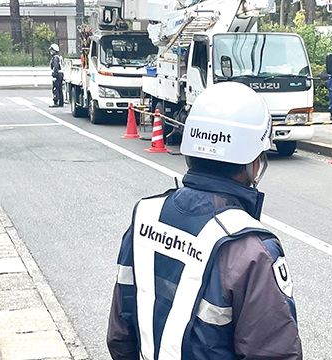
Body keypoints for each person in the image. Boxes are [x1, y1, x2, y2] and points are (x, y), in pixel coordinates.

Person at [107, 82, 302, 360]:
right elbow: (275, 353)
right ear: (254, 163)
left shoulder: (145, 217)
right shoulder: (251, 251)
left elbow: (120, 334)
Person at [49, 43, 64, 108]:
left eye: (51, 50)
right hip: (60, 74)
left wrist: (54, 74)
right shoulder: (59, 57)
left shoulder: (55, 58)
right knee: (60, 89)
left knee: (55, 88)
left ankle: (56, 101)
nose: (51, 52)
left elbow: (55, 66)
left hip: (57, 75)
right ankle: (61, 102)